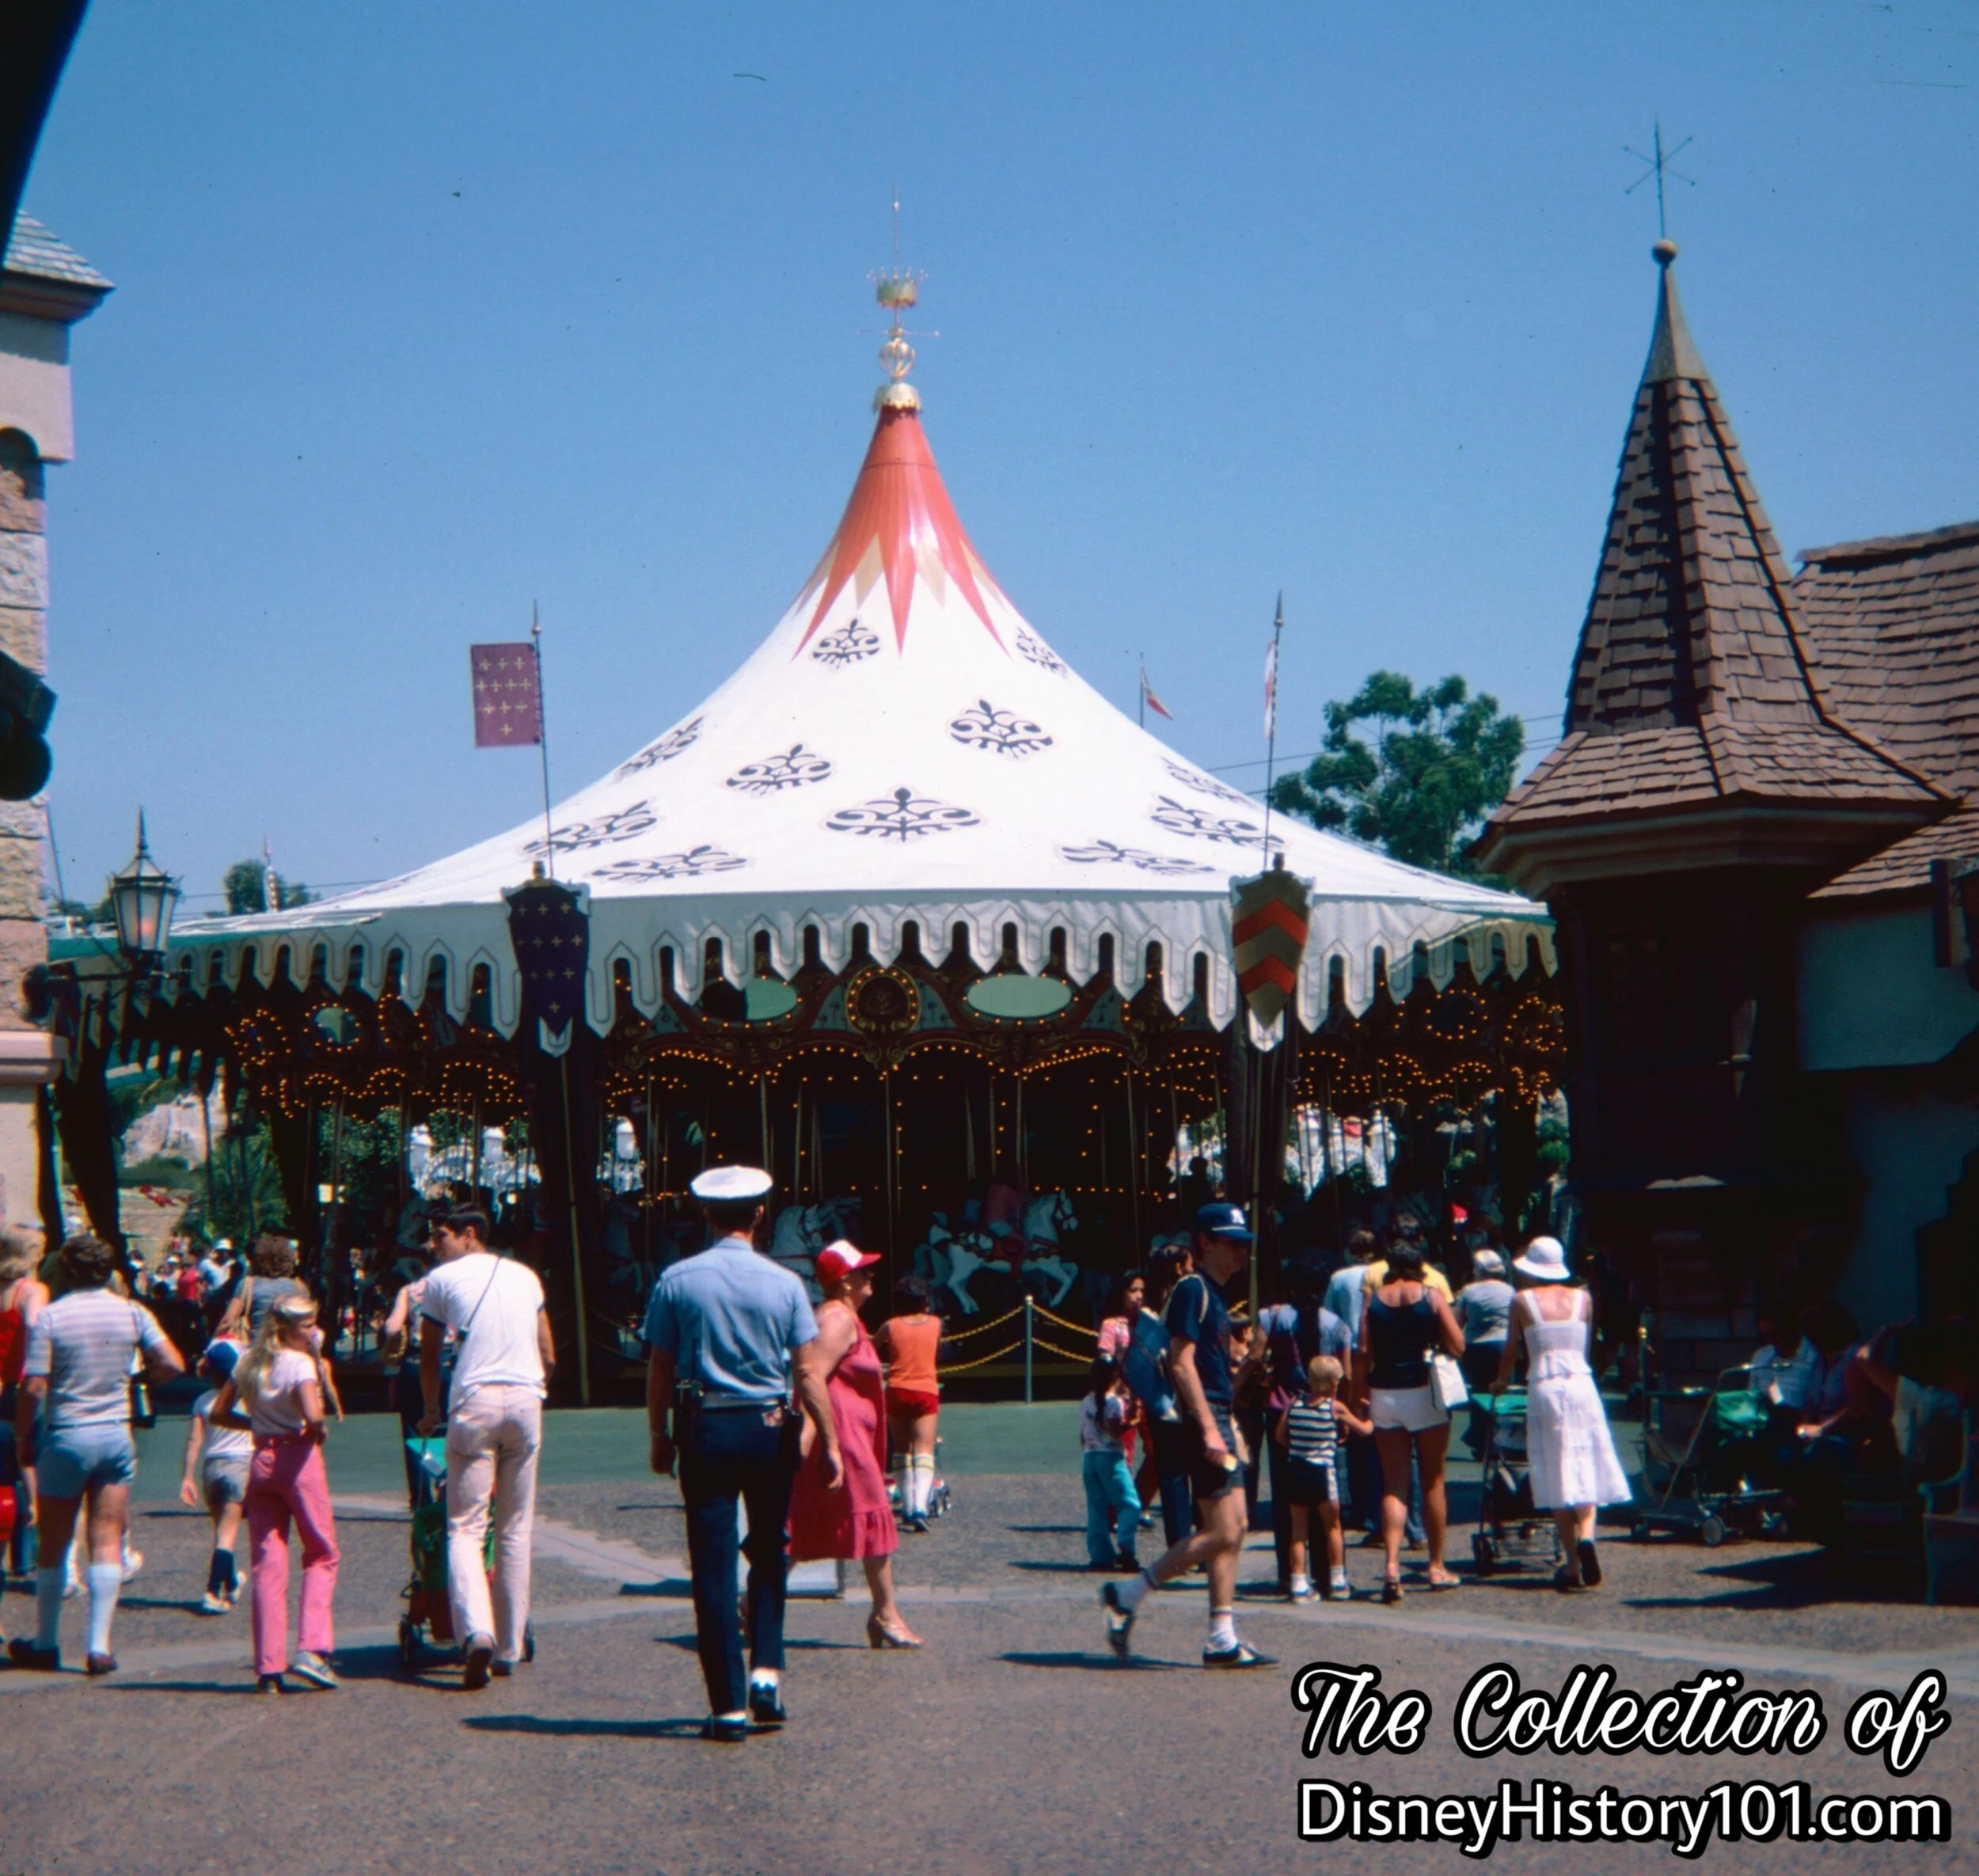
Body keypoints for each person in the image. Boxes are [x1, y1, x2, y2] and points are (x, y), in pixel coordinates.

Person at [645, 1166, 843, 1742]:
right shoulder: (785, 1285)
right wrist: (827, 1439)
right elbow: (806, 1371)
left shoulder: (678, 1279)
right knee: (769, 1550)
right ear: (760, 1215)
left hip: (705, 1424)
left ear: (706, 1215)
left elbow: (660, 1365)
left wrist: (658, 1433)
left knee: (711, 1566)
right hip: (768, 1425)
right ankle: (766, 1671)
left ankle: (727, 1704)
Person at [1100, 1203, 1274, 1669]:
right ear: (1204, 1243)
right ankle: (1129, 1592)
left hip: (1217, 1414)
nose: (1242, 1252)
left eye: (1244, 1243)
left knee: (1233, 1530)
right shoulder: (1193, 1290)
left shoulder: (1212, 1293)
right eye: (1231, 1242)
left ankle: (1221, 1634)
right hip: (1204, 1418)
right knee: (1223, 1529)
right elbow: (1180, 1362)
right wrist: (1211, 1427)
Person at [8, 1234, 184, 1674]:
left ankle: (47, 1641)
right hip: (114, 1433)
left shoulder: (53, 1317)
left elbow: (33, 1384)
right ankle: (98, 1646)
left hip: (67, 1433)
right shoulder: (131, 1311)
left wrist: (24, 1434)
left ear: (66, 1270)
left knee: (55, 1541)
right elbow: (174, 1363)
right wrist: (142, 1384)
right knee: (105, 1539)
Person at [418, 1208, 554, 1689]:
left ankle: (476, 1629)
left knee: (465, 1527)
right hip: (525, 1399)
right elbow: (549, 1352)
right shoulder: (525, 1276)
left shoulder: (440, 1281)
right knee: (516, 1526)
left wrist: (432, 1408)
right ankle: (511, 1644)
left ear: (468, 1234)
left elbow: (430, 1354)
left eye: (440, 1236)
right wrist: (536, 1390)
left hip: (473, 1402)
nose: (434, 1245)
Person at [788, 1240, 923, 1647]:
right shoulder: (837, 1320)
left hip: (848, 1437)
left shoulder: (846, 1318)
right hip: (843, 1439)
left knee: (812, 1521)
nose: (871, 1277)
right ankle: (886, 1614)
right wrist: (812, 1441)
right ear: (845, 1281)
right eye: (864, 1272)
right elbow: (811, 1378)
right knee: (872, 1517)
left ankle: (752, 1601)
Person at [211, 1294, 340, 1691]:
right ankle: (312, 1649)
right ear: (289, 1328)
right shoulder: (300, 1363)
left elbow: (218, 1411)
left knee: (268, 1561)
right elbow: (315, 1414)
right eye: (308, 1325)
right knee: (321, 1551)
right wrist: (316, 1426)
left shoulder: (250, 1360)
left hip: (262, 1458)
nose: (314, 1331)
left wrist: (256, 1428)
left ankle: (269, 1665)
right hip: (297, 1458)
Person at [1496, 1236, 1631, 1592]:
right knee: (1586, 1462)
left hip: (1544, 1383)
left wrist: (1498, 1381)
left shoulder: (1522, 1300)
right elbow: (1585, 1348)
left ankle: (1572, 1562)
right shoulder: (1583, 1298)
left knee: (1555, 1469)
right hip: (1581, 1383)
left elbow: (1513, 1349)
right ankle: (1587, 1536)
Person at [1358, 1238, 1464, 1603]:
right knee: (1432, 1479)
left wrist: (1359, 1394)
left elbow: (1363, 1352)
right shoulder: (1432, 1296)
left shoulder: (1373, 1301)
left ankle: (1391, 1564)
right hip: (1424, 1390)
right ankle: (1436, 1565)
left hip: (1384, 1392)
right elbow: (1458, 1344)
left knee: (1394, 1483)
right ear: (1420, 1265)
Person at [1258, 1263, 1353, 1590]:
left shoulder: (1272, 1317)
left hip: (1284, 1409)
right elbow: (1348, 1374)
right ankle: (1330, 1575)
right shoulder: (1337, 1326)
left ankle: (1291, 1575)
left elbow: (1256, 1357)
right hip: (1325, 1414)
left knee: (1288, 1504)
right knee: (1327, 1505)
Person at [1275, 1353, 1370, 1601]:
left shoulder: (1294, 1404)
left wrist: (1296, 1446)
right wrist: (1368, 1415)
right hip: (1322, 1472)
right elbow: (1364, 1431)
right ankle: (1338, 1582)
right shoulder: (1334, 1408)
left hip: (1296, 1470)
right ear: (1332, 1383)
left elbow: (1279, 1436)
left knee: (1298, 1532)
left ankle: (1297, 1584)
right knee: (1333, 1527)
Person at [1122, 1244, 1192, 1546]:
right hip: (1171, 1392)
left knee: (1165, 1465)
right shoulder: (1176, 1300)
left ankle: (1175, 1537)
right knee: (1177, 1468)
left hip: (1156, 1392)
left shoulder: (1153, 1304)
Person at [180, 1337, 251, 1613]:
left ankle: (232, 1581)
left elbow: (194, 1441)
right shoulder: (245, 1399)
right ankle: (211, 1592)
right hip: (239, 1465)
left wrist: (187, 1476)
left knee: (221, 1530)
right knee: (227, 1535)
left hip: (211, 1469)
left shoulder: (202, 1402)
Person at [875, 1277, 941, 1532]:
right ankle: (920, 1508)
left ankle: (908, 1504)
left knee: (901, 1451)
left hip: (897, 1390)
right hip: (926, 1390)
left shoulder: (890, 1326)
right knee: (924, 1449)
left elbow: (869, 1349)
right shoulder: (936, 1325)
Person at [0, 1235, 49, 1576]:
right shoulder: (32, 1290)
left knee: (6, 1470)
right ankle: (36, 1547)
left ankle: (15, 1552)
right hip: (21, 1382)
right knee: (30, 1458)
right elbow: (36, 1325)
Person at [380, 1247, 442, 1508]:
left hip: (415, 1361)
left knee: (414, 1432)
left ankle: (421, 1498)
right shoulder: (456, 1287)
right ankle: (445, 1481)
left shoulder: (410, 1291)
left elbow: (392, 1327)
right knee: (448, 1429)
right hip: (450, 1360)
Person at [1079, 1356, 1141, 1570]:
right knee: (1130, 1504)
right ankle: (1126, 1547)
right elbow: (1114, 1431)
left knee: (1096, 1508)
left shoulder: (1086, 1402)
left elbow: (1082, 1436)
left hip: (1090, 1457)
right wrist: (1132, 1421)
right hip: (1111, 1458)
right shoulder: (1113, 1402)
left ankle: (1100, 1556)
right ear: (1116, 1377)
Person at [1455, 1248, 1516, 1455]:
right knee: (1502, 1394)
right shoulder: (1511, 1292)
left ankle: (1480, 1440)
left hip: (1475, 1349)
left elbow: (1457, 1322)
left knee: (1480, 1393)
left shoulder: (1469, 1292)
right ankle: (1501, 1440)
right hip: (1503, 1346)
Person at [215, 1236, 310, 1344]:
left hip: (256, 1353)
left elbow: (228, 1321)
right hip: (292, 1354)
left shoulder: (248, 1284)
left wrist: (212, 1345)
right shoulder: (300, 1288)